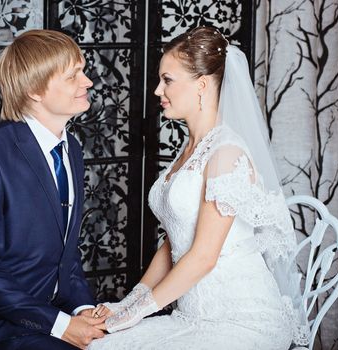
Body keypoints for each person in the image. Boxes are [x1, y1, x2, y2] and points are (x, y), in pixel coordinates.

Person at [88, 26, 309, 349]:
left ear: (202, 85)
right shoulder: (191, 148)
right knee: (100, 345)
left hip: (241, 319)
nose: (157, 91)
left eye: (168, 80)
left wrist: (136, 314)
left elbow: (204, 256)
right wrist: (132, 301)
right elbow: (175, 240)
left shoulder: (226, 152)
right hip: (190, 315)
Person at [0, 29, 106, 350]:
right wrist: (60, 325)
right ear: (34, 91)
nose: (88, 82)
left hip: (52, 315)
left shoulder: (71, 148)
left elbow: (65, 255)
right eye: (73, 76)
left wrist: (84, 310)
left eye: (83, 71)